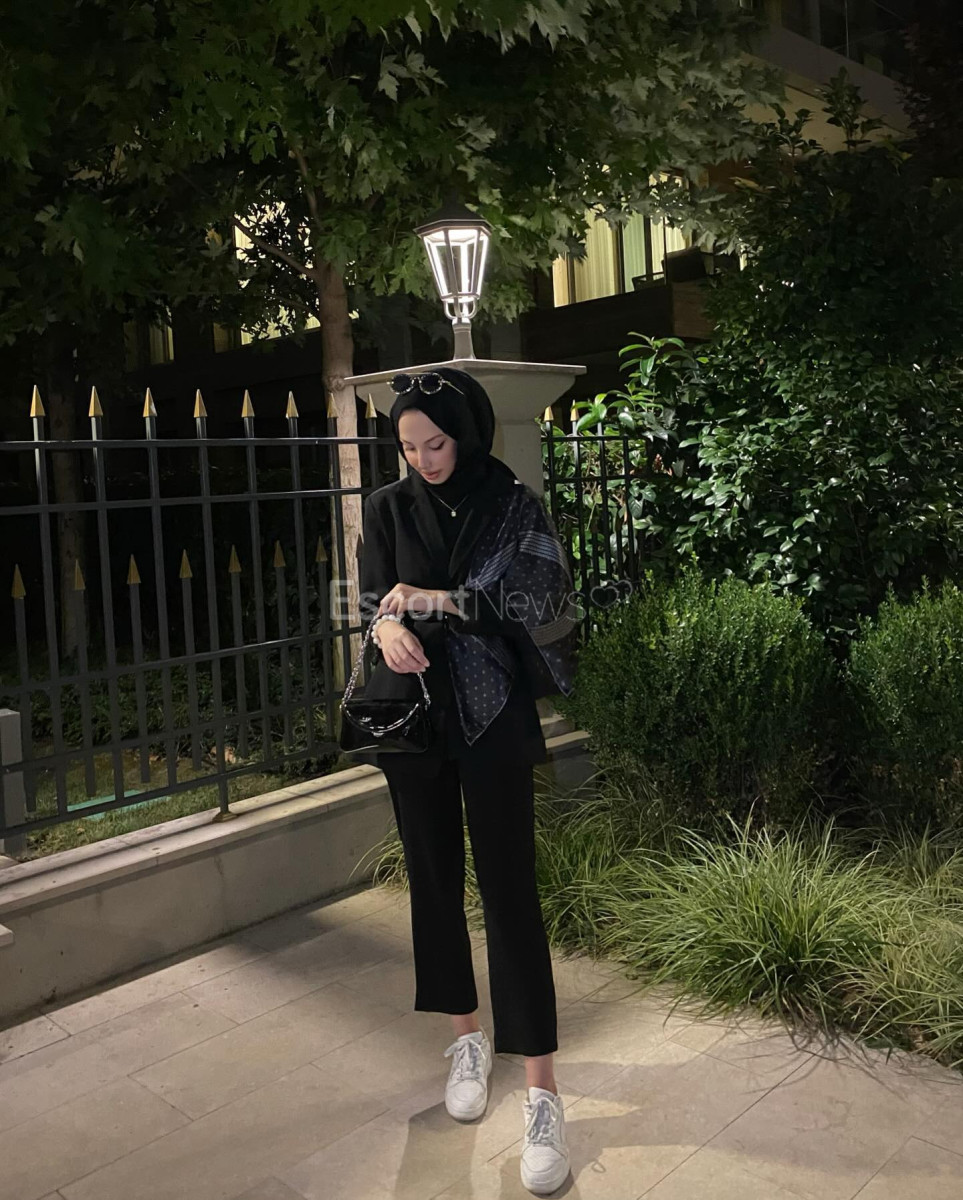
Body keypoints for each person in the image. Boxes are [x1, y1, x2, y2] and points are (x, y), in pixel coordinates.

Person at [355, 366, 578, 1196]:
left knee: (510, 894)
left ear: (468, 433)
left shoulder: (511, 504)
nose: (422, 459)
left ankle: (542, 1093)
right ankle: (466, 1039)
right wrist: (384, 628)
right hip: (414, 723)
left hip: (493, 722)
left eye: (436, 443)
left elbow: (535, 600)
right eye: (408, 446)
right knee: (432, 884)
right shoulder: (386, 507)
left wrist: (434, 601)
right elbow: (372, 596)